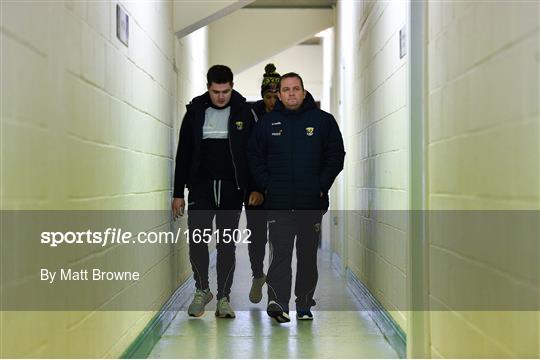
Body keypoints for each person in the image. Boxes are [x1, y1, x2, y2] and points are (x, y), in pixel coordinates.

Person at [248, 72, 345, 323]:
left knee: (307, 256)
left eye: (296, 89)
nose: (291, 93)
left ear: (303, 92)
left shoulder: (323, 121)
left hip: (311, 203)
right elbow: (254, 157)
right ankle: (278, 302)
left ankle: (303, 303)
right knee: (280, 253)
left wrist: (321, 185)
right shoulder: (268, 124)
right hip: (278, 204)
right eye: (286, 89)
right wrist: (268, 185)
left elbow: (336, 155)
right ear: (279, 94)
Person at [172, 65, 263, 318]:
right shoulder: (194, 112)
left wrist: (254, 187)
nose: (221, 96)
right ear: (208, 87)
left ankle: (224, 297)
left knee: (226, 245)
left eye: (225, 91)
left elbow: (253, 154)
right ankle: (202, 289)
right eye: (215, 91)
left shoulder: (244, 111)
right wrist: (178, 192)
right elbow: (184, 154)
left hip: (232, 189)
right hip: (200, 187)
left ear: (232, 86)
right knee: (197, 241)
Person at [246, 63, 281, 304]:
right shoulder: (252, 117)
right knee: (257, 237)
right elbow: (248, 155)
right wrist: (255, 188)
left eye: (276, 97)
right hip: (256, 188)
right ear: (262, 96)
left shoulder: (289, 116)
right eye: (268, 97)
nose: (272, 102)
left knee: (279, 239)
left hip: (280, 189)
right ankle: (258, 275)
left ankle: (276, 289)